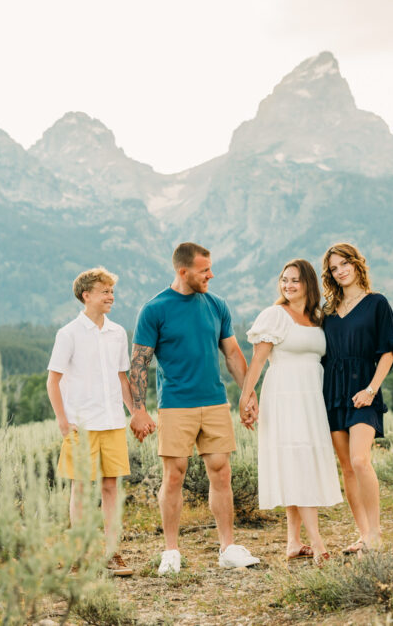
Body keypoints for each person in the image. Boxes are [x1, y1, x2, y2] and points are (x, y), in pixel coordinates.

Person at [128, 242, 261, 575]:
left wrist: (248, 395)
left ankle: (227, 548)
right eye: (204, 270)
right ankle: (171, 551)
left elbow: (232, 354)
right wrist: (138, 410)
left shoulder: (217, 305)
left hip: (214, 402)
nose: (210, 275)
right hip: (176, 405)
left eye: (210, 268)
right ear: (183, 271)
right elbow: (139, 363)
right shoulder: (154, 309)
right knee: (174, 475)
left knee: (222, 471)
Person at [47, 267, 154, 577]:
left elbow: (122, 378)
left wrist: (136, 413)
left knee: (110, 488)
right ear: (87, 295)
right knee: (81, 489)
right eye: (105, 291)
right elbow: (53, 381)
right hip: (81, 425)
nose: (111, 296)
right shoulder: (68, 334)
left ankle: (112, 553)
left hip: (112, 423)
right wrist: (63, 422)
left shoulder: (117, 333)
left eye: (112, 291)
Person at [238, 259, 342, 566]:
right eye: (284, 279)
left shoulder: (318, 317)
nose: (288, 285)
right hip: (285, 396)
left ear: (309, 283)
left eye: (295, 280)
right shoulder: (275, 315)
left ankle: (294, 543)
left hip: (313, 398)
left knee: (300, 462)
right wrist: (246, 398)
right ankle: (318, 543)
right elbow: (258, 361)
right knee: (299, 463)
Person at [320, 243, 393, 555]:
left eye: (344, 264)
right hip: (333, 392)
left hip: (364, 392)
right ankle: (363, 534)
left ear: (357, 264)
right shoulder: (327, 311)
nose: (340, 271)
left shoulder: (377, 303)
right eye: (334, 268)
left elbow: (388, 352)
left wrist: (371, 390)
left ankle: (376, 533)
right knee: (346, 466)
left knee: (359, 460)